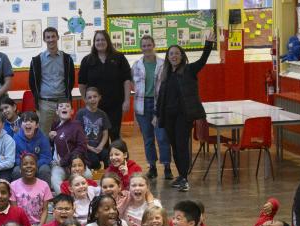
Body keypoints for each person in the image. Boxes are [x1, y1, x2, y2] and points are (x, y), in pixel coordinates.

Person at [155, 29, 216, 193]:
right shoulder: (166, 74)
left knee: (182, 146)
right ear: (168, 57)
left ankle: (184, 178)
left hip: (184, 116)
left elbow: (203, 60)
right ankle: (181, 176)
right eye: (171, 54)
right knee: (174, 146)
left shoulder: (189, 70)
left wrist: (208, 44)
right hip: (169, 117)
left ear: (182, 56)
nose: (174, 56)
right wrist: (157, 114)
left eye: (177, 53)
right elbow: (161, 97)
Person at [131, 35, 172, 180]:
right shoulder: (136, 65)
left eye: (149, 45)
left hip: (159, 106)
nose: (147, 48)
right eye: (144, 46)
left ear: (154, 45)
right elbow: (131, 83)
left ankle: (167, 167)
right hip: (142, 106)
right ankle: (152, 167)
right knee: (148, 139)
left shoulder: (163, 64)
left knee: (162, 137)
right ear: (140, 48)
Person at [78, 31, 131, 140]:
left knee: (114, 133)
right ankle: (103, 152)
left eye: (103, 39)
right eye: (97, 40)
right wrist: (86, 100)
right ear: (94, 43)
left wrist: (127, 100)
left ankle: (116, 151)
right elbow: (82, 83)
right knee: (99, 136)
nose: (100, 42)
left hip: (115, 104)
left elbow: (126, 80)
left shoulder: (119, 57)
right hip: (95, 106)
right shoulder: (87, 60)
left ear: (108, 41)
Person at [29, 27, 75, 135]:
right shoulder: (37, 60)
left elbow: (71, 80)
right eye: (48, 37)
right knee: (43, 134)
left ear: (58, 37)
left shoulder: (67, 59)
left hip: (63, 102)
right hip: (45, 103)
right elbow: (32, 82)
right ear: (44, 39)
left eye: (53, 36)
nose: (51, 40)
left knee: (64, 133)